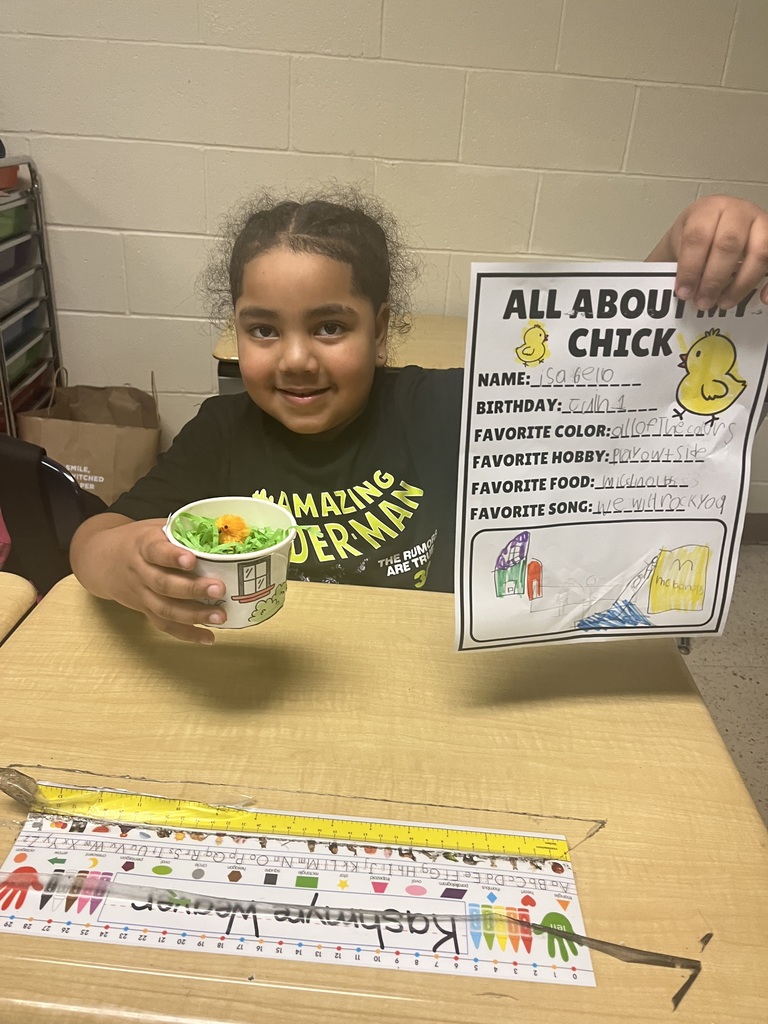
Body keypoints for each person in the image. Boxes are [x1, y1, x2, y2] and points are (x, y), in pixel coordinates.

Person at [70, 187, 768, 644]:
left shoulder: (441, 407)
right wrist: (122, 562)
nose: (295, 360)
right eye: (263, 331)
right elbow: (91, 539)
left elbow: (604, 391)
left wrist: (679, 260)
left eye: (330, 328)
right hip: (270, 681)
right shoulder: (220, 434)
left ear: (381, 331)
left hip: (422, 679)